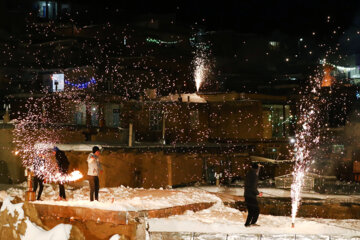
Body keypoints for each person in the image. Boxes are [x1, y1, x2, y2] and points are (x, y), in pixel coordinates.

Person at [244, 162, 262, 227]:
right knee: (256, 210)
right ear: (256, 169)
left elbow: (249, 185)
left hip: (246, 195)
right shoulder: (254, 176)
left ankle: (247, 224)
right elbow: (253, 187)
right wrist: (258, 193)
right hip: (251, 196)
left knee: (251, 211)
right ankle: (252, 223)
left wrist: (258, 167)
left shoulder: (248, 173)